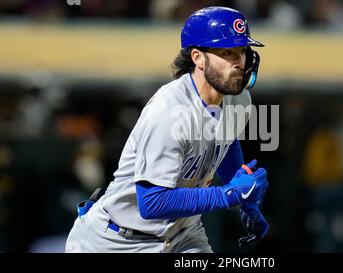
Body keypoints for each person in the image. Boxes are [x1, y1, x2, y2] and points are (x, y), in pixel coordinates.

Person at [65, 6, 269, 253]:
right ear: (197, 58)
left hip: (183, 233)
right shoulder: (169, 112)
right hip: (118, 240)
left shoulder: (239, 99)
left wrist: (247, 203)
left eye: (242, 51)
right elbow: (151, 202)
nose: (239, 62)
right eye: (227, 52)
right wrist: (229, 194)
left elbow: (224, 143)